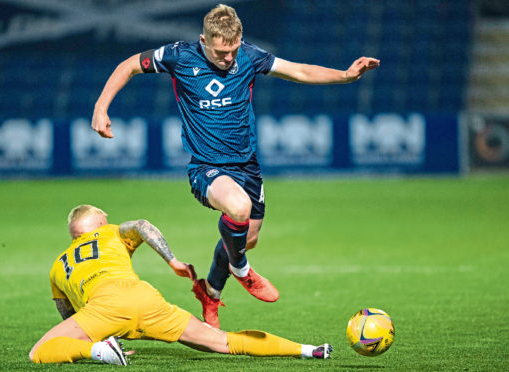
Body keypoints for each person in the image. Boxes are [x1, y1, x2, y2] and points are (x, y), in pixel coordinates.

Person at [91, 4, 380, 328]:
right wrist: (101, 108)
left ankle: (210, 292)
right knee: (239, 210)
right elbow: (129, 65)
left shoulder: (249, 56)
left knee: (246, 237)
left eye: (233, 50)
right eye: (220, 52)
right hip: (207, 168)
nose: (228, 59)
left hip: (248, 167)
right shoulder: (179, 56)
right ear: (203, 40)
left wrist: (345, 75)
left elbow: (299, 70)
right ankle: (242, 270)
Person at [29, 204, 333, 365]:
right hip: (145, 299)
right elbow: (141, 226)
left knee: (39, 352)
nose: (109, 223)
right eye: (105, 219)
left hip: (102, 310)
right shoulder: (109, 233)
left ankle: (100, 352)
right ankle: (308, 350)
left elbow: (67, 316)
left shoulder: (58, 266)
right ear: (96, 226)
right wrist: (172, 260)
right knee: (223, 341)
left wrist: (91, 342)